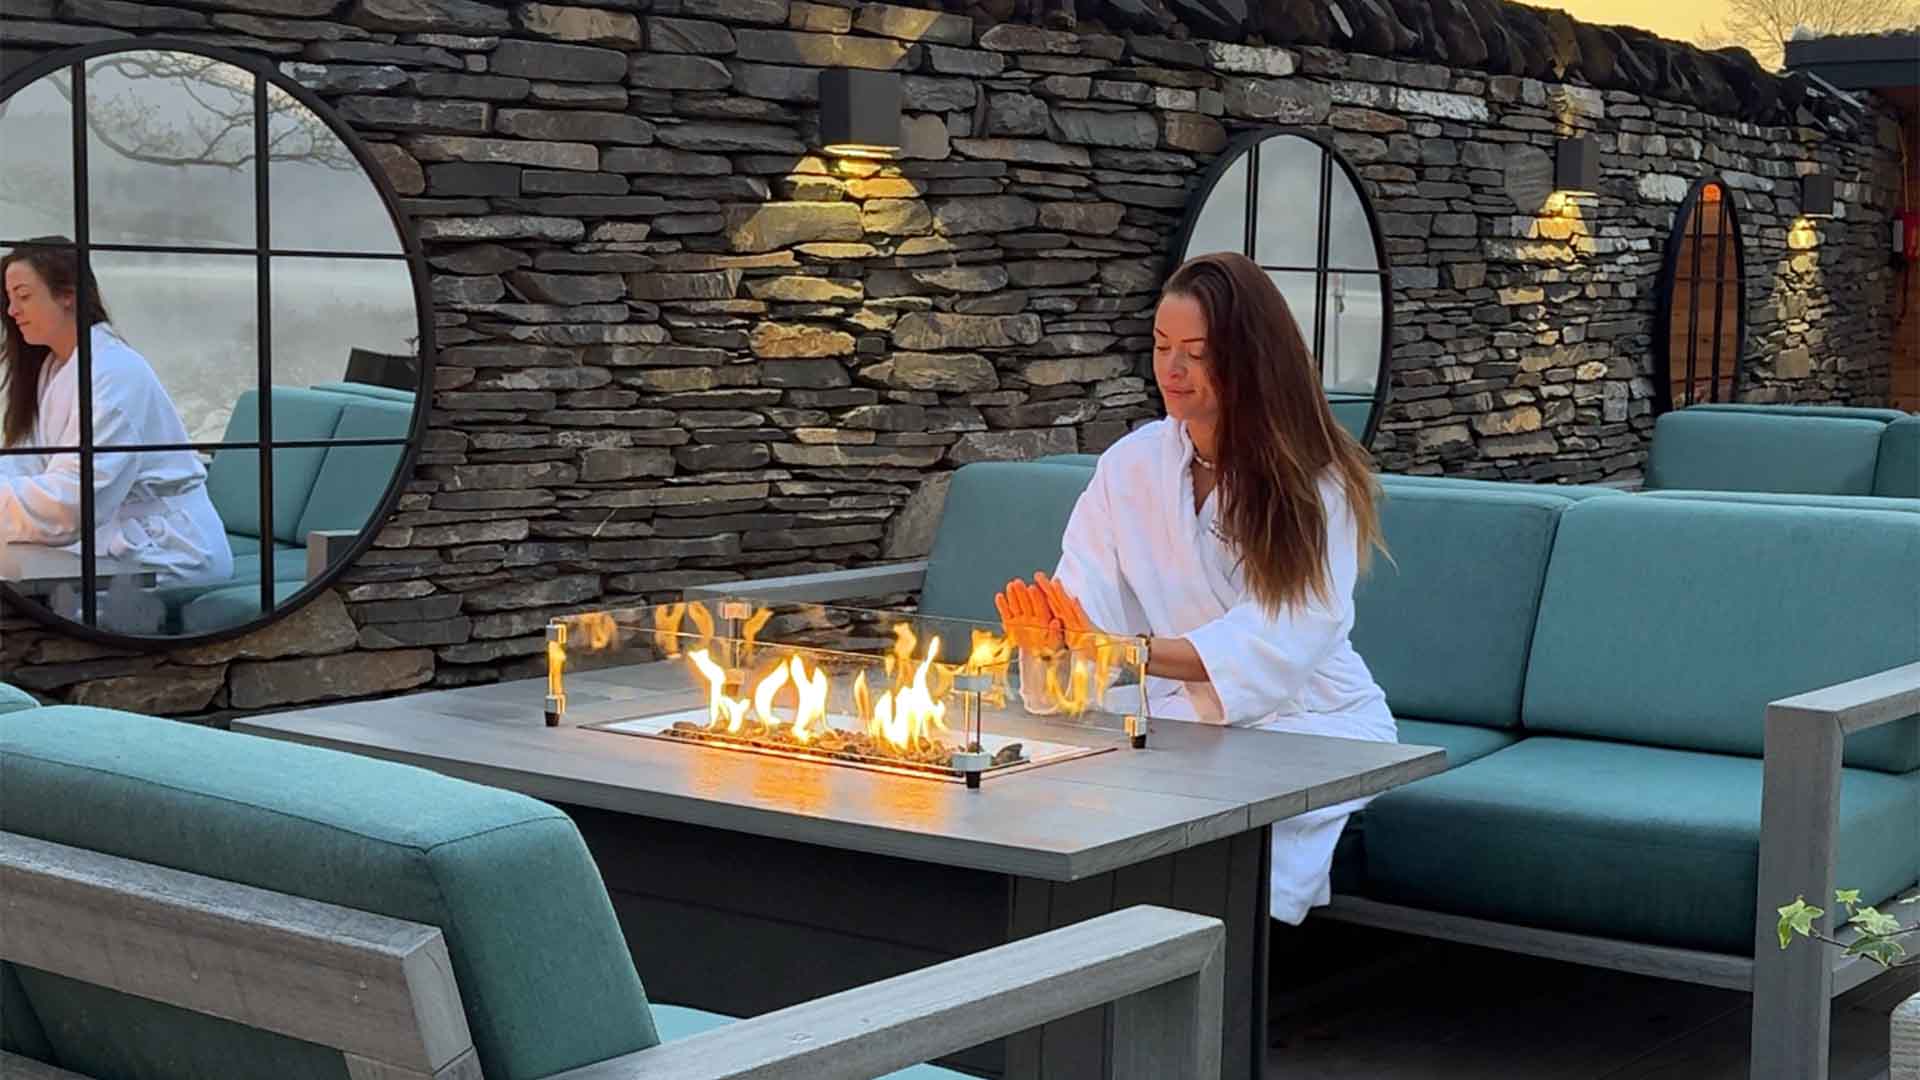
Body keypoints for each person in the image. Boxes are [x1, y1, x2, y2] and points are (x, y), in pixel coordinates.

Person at [994, 250, 1395, 925]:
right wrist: (1055, 638)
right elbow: (1088, 597)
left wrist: (1124, 651)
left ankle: (1208, 976)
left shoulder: (1315, 481)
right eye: (1161, 347)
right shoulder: (1131, 465)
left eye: (1197, 353)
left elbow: (1282, 637)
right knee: (1057, 783)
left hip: (1312, 720)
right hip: (1178, 710)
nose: (1172, 370)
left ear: (1249, 359)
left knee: (1201, 814)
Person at [1, 239, 233, 594]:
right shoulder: (52, 369)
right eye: (9, 299)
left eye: (24, 296)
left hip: (165, 553)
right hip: (100, 541)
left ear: (67, 295)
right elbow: (25, 464)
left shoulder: (115, 373)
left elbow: (74, 500)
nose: (13, 310)